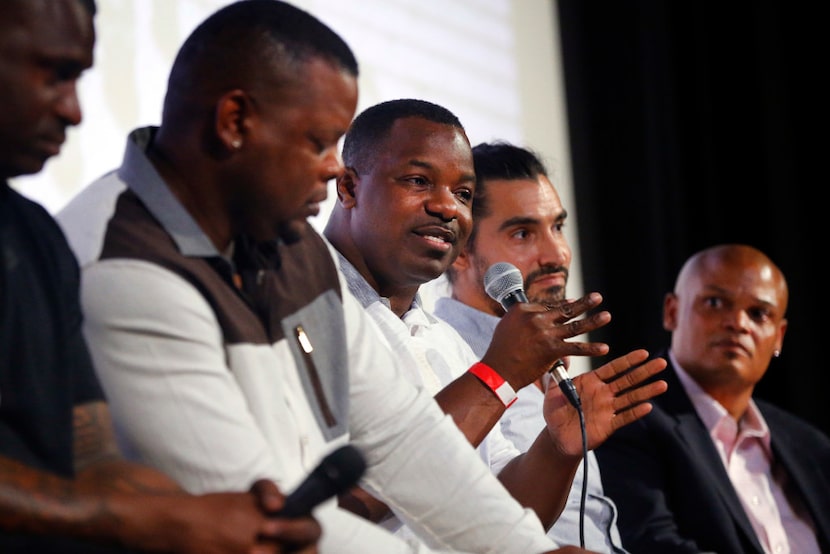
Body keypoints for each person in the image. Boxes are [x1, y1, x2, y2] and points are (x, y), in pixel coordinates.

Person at [56, 2, 574, 553]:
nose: (333, 168)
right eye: (318, 142)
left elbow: (402, 436)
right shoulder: (125, 263)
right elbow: (261, 519)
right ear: (234, 122)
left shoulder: (291, 245)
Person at [0, 1, 322, 553]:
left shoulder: (34, 237)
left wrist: (222, 518)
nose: (75, 111)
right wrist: (139, 520)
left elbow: (92, 458)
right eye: (54, 73)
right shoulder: (111, 249)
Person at [322, 98, 667, 549]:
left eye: (463, 194)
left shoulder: (445, 344)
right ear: (348, 187)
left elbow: (501, 511)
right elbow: (338, 501)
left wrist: (556, 449)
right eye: (419, 181)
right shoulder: (302, 307)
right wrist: (497, 376)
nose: (447, 207)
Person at [433, 140, 629, 552]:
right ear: (460, 253)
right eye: (523, 233)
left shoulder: (552, 365)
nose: (556, 253)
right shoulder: (443, 362)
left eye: (557, 226)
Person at [594, 244, 830, 553]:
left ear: (778, 337)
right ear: (672, 312)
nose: (738, 323)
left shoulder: (811, 445)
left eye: (758, 313)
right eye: (716, 303)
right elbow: (652, 545)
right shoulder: (630, 416)